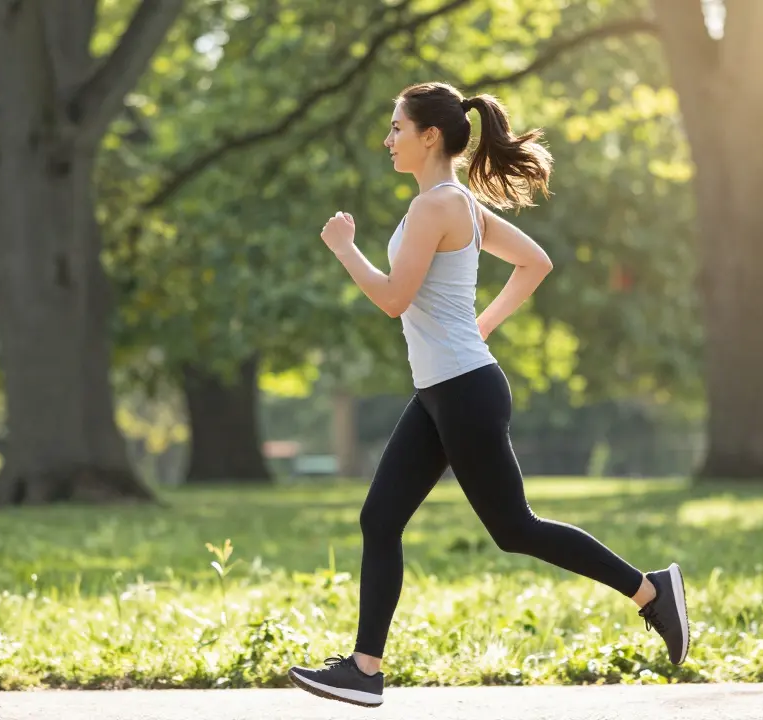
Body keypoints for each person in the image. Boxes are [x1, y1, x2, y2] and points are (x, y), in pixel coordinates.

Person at [287, 82, 690, 708]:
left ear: (430, 136)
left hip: (464, 391)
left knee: (514, 528)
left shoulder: (438, 207)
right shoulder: (456, 205)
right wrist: (482, 326)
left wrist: (345, 250)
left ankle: (651, 592)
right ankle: (365, 669)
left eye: (396, 127)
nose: (388, 139)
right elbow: (535, 262)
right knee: (381, 518)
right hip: (442, 391)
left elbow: (394, 299)